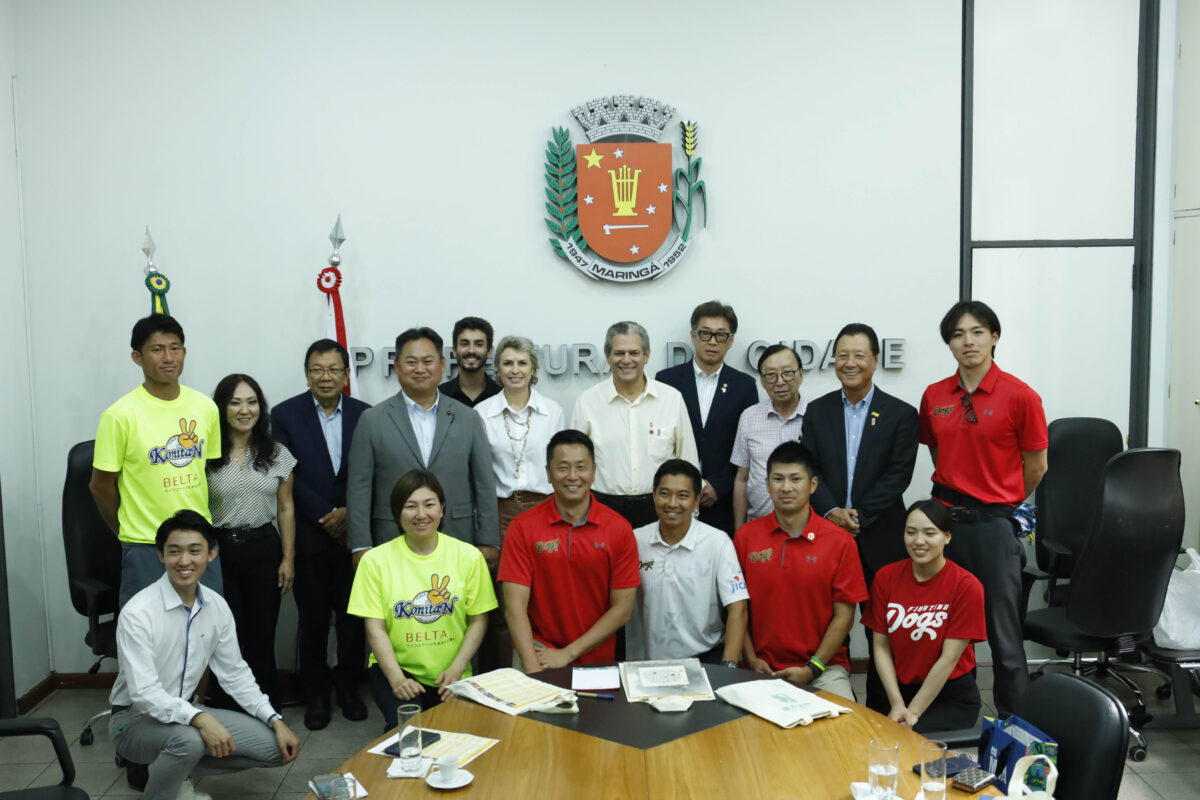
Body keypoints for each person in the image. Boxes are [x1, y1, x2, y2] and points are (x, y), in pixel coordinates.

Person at [109, 510, 300, 800]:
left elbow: (234, 673)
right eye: (174, 552)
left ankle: (175, 769)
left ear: (211, 554)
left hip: (185, 710)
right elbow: (144, 694)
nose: (184, 561)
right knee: (189, 741)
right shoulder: (138, 612)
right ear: (160, 555)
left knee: (276, 748)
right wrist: (200, 719)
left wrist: (274, 719)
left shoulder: (216, 606)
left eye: (194, 551)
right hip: (133, 720)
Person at [918, 300, 1047, 716]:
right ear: (949, 344)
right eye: (957, 334)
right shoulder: (935, 395)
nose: (967, 341)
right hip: (943, 523)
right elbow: (938, 452)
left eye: (977, 332)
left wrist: (1000, 499)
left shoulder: (1020, 396)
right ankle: (952, 716)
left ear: (994, 337)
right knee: (943, 628)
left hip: (993, 525)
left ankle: (1016, 728)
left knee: (1004, 637)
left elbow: (1036, 466)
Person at [800, 323, 919, 709]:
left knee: (881, 627)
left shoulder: (902, 414)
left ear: (874, 361)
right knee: (825, 621)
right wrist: (833, 511)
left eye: (859, 356)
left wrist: (860, 516)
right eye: (843, 355)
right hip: (827, 534)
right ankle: (829, 701)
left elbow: (899, 475)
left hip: (881, 535)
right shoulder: (817, 411)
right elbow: (811, 467)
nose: (850, 363)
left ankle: (884, 710)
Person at [90, 314, 224, 608]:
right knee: (148, 641)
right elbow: (100, 486)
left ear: (184, 353)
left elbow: (208, 473)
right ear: (137, 357)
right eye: (157, 349)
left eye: (175, 348)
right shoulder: (119, 415)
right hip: (146, 546)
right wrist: (127, 531)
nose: (168, 358)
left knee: (207, 635)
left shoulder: (205, 408)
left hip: (200, 542)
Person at [272, 339, 371, 730]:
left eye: (333, 369)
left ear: (347, 374)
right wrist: (326, 514)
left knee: (353, 620)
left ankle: (349, 687)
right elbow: (285, 475)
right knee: (312, 621)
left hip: (354, 535)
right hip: (310, 536)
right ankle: (315, 694)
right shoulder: (284, 415)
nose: (325, 376)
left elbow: (369, 471)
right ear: (307, 373)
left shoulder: (366, 415)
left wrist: (348, 512)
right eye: (317, 369)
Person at [348, 470, 496, 722]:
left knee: (455, 735)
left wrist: (458, 669)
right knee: (410, 728)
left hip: (452, 671)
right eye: (410, 506)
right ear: (397, 512)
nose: (421, 515)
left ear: (442, 509)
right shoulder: (374, 561)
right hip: (395, 668)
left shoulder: (469, 557)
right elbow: (375, 628)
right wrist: (397, 679)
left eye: (429, 505)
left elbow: (479, 620)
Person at [347, 327, 500, 567]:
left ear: (441, 364)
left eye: (427, 361)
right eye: (411, 362)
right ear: (397, 365)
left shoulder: (467, 417)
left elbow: (483, 482)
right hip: (392, 540)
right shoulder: (372, 420)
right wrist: (360, 545)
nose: (420, 369)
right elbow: (359, 487)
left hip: (457, 537)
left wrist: (490, 540)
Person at [734, 442, 867, 701]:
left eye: (796, 479)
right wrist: (750, 659)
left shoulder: (840, 542)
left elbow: (844, 616)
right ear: (767, 484)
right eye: (778, 479)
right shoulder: (746, 538)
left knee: (844, 734)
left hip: (823, 669)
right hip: (758, 669)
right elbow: (737, 608)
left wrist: (812, 668)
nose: (786, 487)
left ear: (813, 485)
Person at [498, 429, 640, 672]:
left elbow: (622, 610)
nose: (573, 476)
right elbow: (514, 607)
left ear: (594, 471)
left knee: (595, 712)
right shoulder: (523, 527)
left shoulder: (619, 529)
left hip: (597, 658)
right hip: (536, 653)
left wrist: (567, 654)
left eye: (581, 467)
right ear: (548, 473)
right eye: (562, 467)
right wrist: (532, 669)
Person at [474, 335, 566, 671]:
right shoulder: (482, 413)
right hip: (501, 514)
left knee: (546, 600)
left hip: (545, 512)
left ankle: (549, 674)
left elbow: (562, 467)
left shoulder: (552, 411)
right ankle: (498, 680)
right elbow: (479, 474)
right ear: (497, 369)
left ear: (533, 368)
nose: (515, 370)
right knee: (501, 607)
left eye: (522, 363)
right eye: (508, 363)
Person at [205, 374, 296, 708]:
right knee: (225, 637)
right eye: (235, 402)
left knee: (261, 635)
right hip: (218, 553)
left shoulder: (277, 453)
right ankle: (226, 711)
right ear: (222, 407)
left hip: (264, 549)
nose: (245, 410)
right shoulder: (204, 453)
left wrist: (288, 558)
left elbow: (286, 507)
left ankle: (265, 709)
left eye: (252, 402)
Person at [863, 500, 986, 733]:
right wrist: (898, 704)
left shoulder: (967, 586)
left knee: (914, 749)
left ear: (947, 537)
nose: (919, 541)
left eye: (930, 533)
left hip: (947, 696)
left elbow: (949, 658)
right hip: (893, 691)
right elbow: (880, 646)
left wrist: (913, 712)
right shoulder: (886, 577)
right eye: (911, 533)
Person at [571, 321, 699, 529]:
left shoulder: (671, 399)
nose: (627, 360)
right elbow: (575, 462)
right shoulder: (587, 402)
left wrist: (692, 514)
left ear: (647, 355)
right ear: (607, 355)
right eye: (619, 353)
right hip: (603, 507)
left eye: (634, 353)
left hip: (660, 509)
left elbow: (688, 460)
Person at [629, 459, 749, 664]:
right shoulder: (635, 540)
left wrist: (728, 665)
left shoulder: (717, 542)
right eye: (664, 494)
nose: (672, 503)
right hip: (646, 663)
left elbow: (738, 607)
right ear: (653, 494)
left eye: (683, 496)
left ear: (696, 501)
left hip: (706, 660)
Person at [655, 301, 758, 535]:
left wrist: (719, 485)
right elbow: (659, 438)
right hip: (674, 499)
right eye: (705, 334)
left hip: (722, 500)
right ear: (693, 336)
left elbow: (746, 445)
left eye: (721, 335)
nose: (712, 341)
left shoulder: (744, 386)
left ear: (730, 341)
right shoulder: (666, 380)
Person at [732, 344, 808, 529]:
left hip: (806, 529)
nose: (780, 381)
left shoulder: (817, 415)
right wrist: (739, 530)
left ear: (801, 375)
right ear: (762, 381)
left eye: (788, 372)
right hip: (759, 527)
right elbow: (742, 478)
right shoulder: (749, 417)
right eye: (771, 375)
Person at [439, 316, 501, 408]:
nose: (471, 350)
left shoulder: (500, 395)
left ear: (489, 351)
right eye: (465, 344)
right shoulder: (440, 396)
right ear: (454, 351)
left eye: (479, 344)